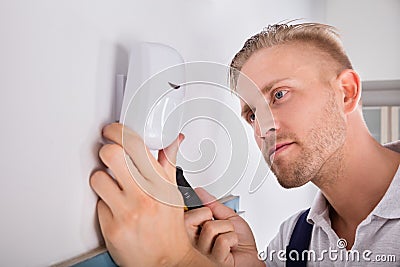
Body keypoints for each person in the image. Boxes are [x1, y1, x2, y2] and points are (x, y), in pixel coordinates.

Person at [90, 22, 400, 266]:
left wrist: (178, 261)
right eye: (252, 114)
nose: (263, 128)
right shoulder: (294, 241)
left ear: (345, 92)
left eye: (279, 95)